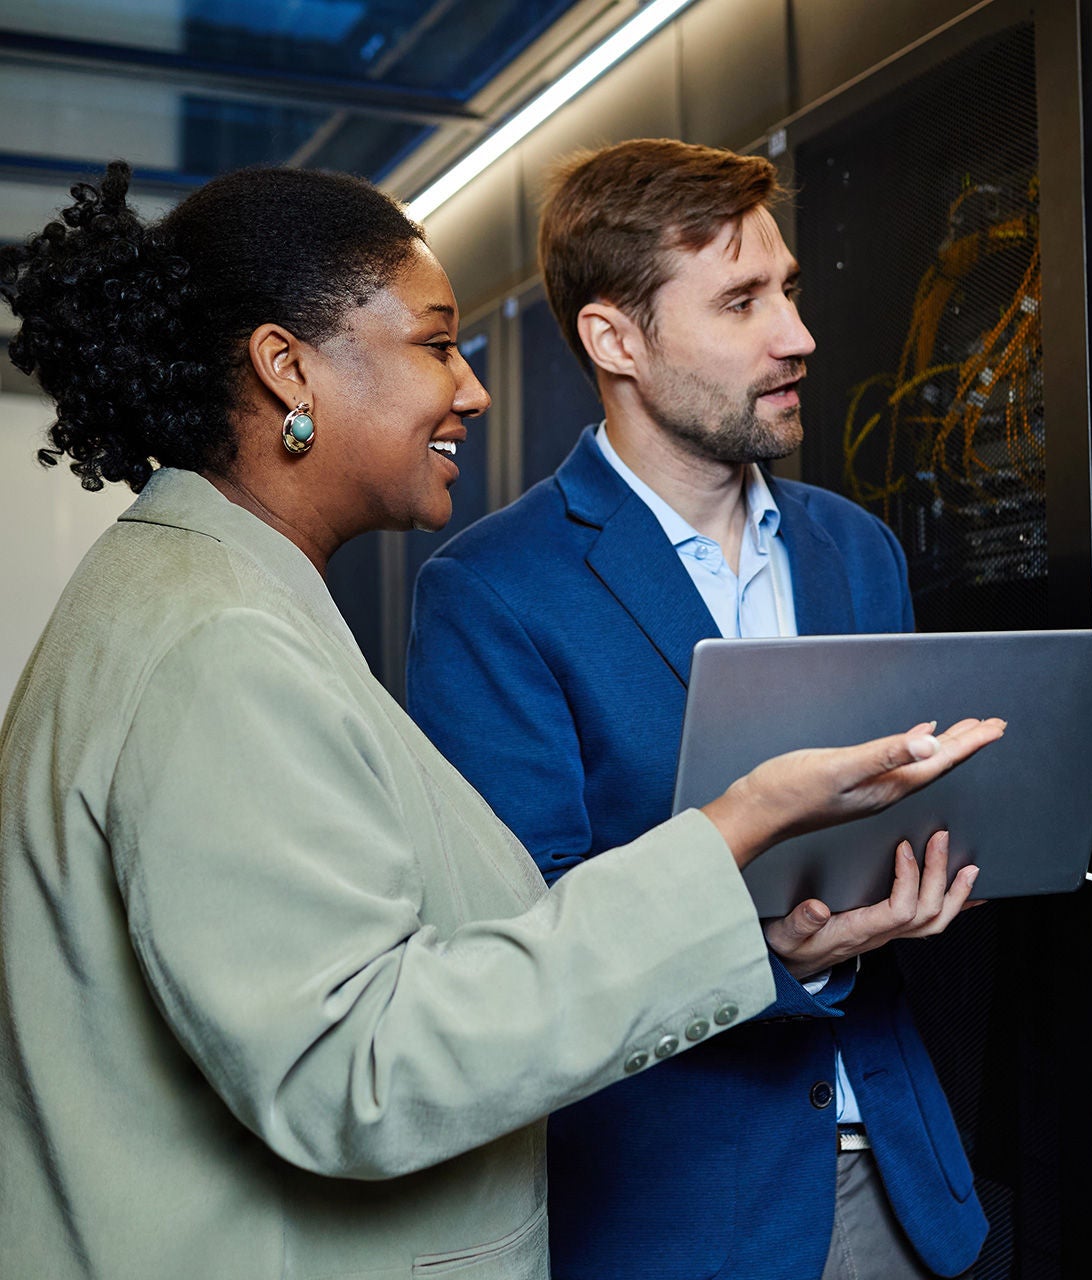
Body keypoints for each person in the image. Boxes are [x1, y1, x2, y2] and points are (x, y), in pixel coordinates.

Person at [0, 162, 1003, 1280]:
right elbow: (356, 1067)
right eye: (434, 343)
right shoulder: (220, 642)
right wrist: (732, 831)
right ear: (286, 367)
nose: (471, 389)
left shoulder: (206, 600)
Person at [407, 139, 991, 1280]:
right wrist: (784, 958)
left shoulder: (854, 549)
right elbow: (519, 942)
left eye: (787, 291)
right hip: (674, 1213)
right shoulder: (493, 590)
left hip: (905, 1180)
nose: (796, 336)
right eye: (739, 301)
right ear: (614, 339)